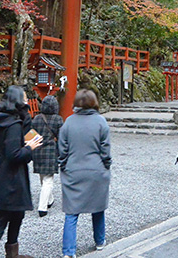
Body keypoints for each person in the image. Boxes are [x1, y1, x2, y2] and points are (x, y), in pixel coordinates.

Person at [0, 86, 43, 258]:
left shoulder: (0, 120)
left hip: (1, 177)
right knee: (1, 220)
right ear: (17, 100)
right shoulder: (13, 125)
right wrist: (30, 148)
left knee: (17, 215)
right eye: (24, 98)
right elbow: (14, 155)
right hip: (10, 181)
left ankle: (12, 253)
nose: (26, 101)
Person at [58, 89, 111, 258]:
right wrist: (106, 166)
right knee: (98, 208)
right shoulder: (101, 122)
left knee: (71, 213)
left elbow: (62, 150)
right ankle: (100, 241)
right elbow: (106, 150)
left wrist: (63, 165)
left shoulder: (68, 122)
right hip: (96, 171)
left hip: (73, 171)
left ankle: (69, 252)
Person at [31, 95, 64, 217]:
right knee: (48, 180)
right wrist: (62, 154)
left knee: (43, 177)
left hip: (38, 151)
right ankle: (42, 207)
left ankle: (50, 200)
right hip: (50, 152)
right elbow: (62, 138)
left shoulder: (36, 118)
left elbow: (31, 135)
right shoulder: (58, 119)